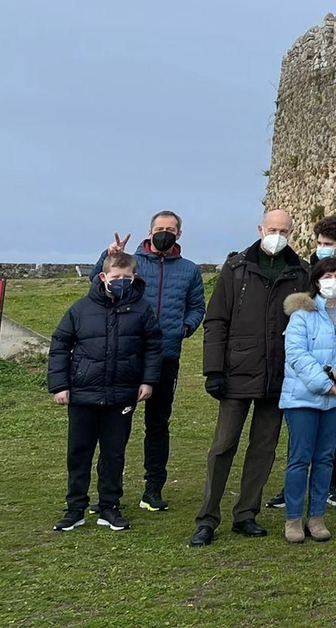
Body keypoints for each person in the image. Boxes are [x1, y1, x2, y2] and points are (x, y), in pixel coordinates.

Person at [192, 210, 310, 547]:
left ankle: (246, 513)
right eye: (272, 229)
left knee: (263, 447)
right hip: (237, 371)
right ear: (260, 229)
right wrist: (213, 369)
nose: (277, 234)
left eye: (283, 230)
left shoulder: (299, 272)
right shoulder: (236, 269)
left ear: (292, 231)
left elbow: (305, 325)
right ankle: (207, 518)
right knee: (223, 445)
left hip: (279, 373)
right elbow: (216, 320)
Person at [90, 210, 204, 513]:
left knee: (157, 425)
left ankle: (153, 489)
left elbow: (197, 307)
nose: (164, 232)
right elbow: (96, 286)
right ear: (149, 231)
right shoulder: (132, 263)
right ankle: (107, 493)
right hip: (127, 355)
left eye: (170, 229)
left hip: (166, 357)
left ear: (179, 234)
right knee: (116, 426)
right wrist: (109, 254)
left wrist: (184, 328)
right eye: (159, 228)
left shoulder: (190, 270)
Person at [49, 250, 161, 532]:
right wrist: (60, 385)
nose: (121, 281)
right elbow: (60, 345)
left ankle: (109, 506)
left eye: (126, 277)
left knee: (113, 453)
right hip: (83, 394)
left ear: (134, 277)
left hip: (122, 394)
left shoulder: (142, 310)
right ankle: (75, 508)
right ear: (104, 276)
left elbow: (153, 347)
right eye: (115, 277)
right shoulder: (80, 309)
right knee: (79, 452)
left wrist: (147, 381)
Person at [269, 214, 336, 510]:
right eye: (318, 243)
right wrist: (318, 379)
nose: (321, 248)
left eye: (327, 244)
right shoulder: (303, 273)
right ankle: (292, 496)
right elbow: (296, 338)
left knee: (331, 440)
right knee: (300, 443)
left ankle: (329, 485)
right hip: (306, 380)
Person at [279, 257, 336, 544]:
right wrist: (323, 384)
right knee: (299, 458)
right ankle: (293, 517)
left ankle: (316, 516)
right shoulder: (301, 315)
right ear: (317, 280)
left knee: (325, 458)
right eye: (327, 275)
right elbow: (296, 354)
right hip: (303, 398)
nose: (333, 280)